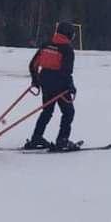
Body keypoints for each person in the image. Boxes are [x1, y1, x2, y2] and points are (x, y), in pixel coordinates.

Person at [24, 21, 79, 151]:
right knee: (68, 112)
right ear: (69, 34)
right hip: (59, 84)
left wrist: (36, 80)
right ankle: (62, 140)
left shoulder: (46, 44)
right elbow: (66, 72)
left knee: (47, 111)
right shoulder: (67, 49)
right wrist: (70, 86)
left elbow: (33, 65)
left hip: (45, 82)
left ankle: (36, 137)